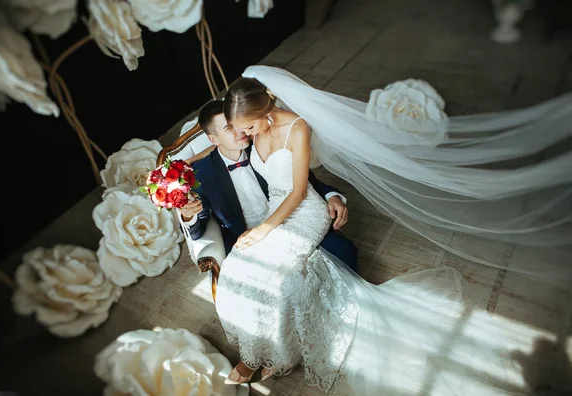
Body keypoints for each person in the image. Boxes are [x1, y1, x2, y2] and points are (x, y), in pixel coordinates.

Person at [209, 67, 566, 395]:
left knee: (280, 276)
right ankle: (254, 350)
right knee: (240, 265)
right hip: (276, 210)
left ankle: (276, 356)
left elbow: (300, 191)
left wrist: (265, 230)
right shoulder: (250, 131)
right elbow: (261, 180)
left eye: (249, 128)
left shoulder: (297, 127)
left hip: (303, 212)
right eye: (238, 129)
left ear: (264, 111)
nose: (242, 135)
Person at [179, 100, 359, 272]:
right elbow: (197, 232)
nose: (240, 131)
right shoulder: (201, 174)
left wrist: (331, 195)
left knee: (344, 252)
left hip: (291, 219)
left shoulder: (260, 143)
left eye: (237, 123)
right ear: (213, 140)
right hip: (249, 240)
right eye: (228, 128)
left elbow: (301, 179)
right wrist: (188, 216)